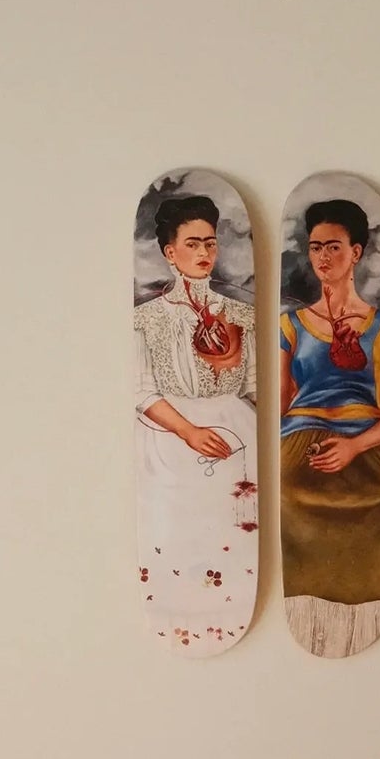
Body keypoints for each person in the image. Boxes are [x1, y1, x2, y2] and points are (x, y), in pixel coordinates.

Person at [133, 194, 258, 653]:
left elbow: (254, 386)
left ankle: (230, 621)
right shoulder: (146, 319)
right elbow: (141, 391)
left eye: (210, 242)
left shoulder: (240, 314)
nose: (204, 252)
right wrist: (188, 431)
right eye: (192, 243)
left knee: (230, 534)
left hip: (235, 433)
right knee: (179, 537)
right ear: (170, 252)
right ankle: (180, 626)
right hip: (171, 437)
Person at [278, 198, 380, 654]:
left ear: (356, 252)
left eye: (333, 246)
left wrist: (355, 446)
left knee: (379, 506)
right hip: (300, 443)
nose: (323, 257)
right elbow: (279, 403)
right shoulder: (291, 325)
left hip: (369, 445)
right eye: (315, 247)